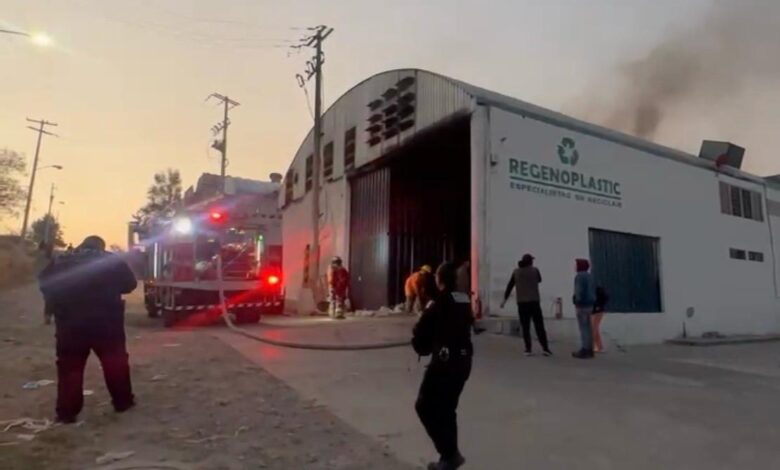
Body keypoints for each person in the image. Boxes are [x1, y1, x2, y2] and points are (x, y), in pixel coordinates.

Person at [38, 235, 138, 423]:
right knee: (115, 362)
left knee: (70, 367)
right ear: (101, 246)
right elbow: (130, 284)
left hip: (70, 323)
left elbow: (45, 283)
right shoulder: (111, 260)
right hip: (106, 322)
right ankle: (122, 402)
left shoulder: (61, 260)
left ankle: (67, 413)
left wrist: (58, 300)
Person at [412, 262, 473, 470]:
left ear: (439, 280)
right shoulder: (463, 300)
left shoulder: (438, 303)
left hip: (444, 364)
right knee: (447, 409)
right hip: (464, 362)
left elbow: (421, 334)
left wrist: (422, 346)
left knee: (424, 406)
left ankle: (449, 454)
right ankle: (450, 456)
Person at [500, 254, 552, 356]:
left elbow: (510, 286)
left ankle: (528, 349)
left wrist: (504, 301)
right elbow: (539, 280)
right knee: (539, 326)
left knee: (525, 327)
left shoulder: (516, 272)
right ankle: (545, 348)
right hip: (534, 302)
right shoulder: (535, 270)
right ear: (530, 262)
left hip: (522, 303)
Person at [572, 258, 597, 359]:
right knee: (588, 327)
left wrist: (576, 301)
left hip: (582, 305)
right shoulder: (590, 276)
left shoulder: (579, 276)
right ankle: (590, 349)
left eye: (576, 264)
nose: (575, 266)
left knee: (583, 328)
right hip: (590, 304)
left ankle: (585, 349)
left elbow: (579, 291)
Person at [591, 286, 609, 353]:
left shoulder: (594, 290)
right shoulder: (594, 289)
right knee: (595, 329)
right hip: (597, 309)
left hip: (596, 310)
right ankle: (599, 346)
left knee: (593, 329)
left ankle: (593, 346)